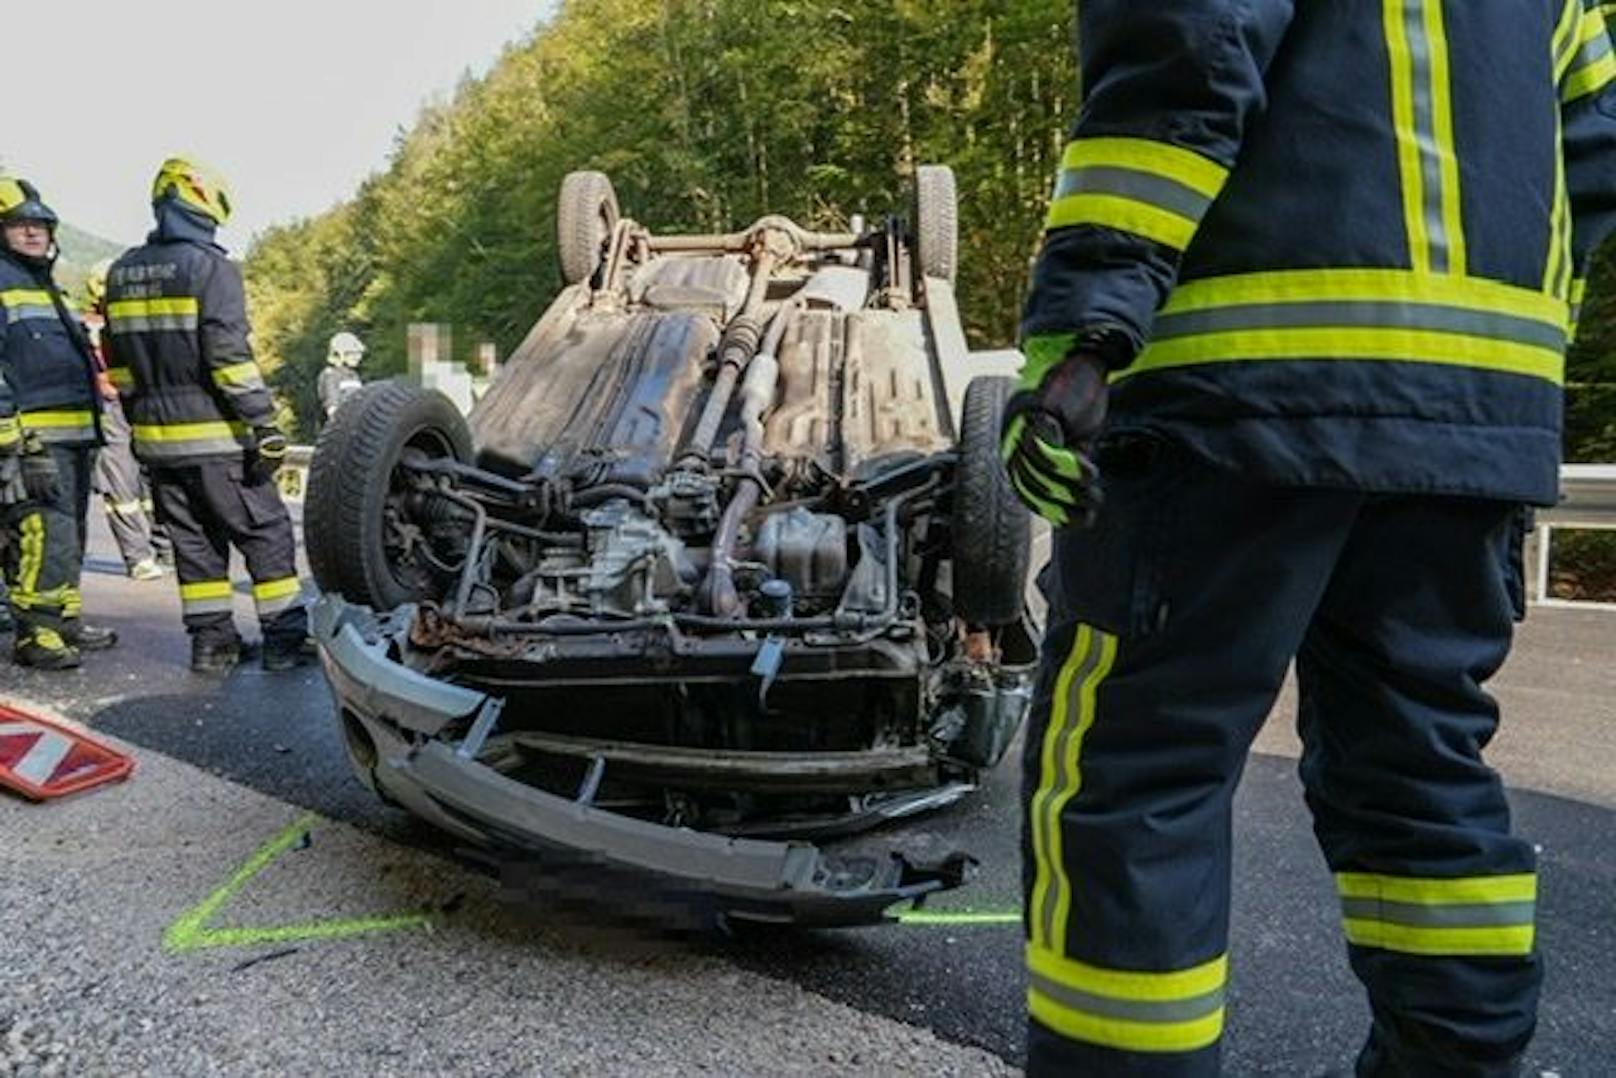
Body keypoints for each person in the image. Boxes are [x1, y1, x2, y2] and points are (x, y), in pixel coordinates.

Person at [1002, 3, 1616, 1074]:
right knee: (1420, 772)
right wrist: (1485, 352)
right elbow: (1596, 135)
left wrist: (1087, 318)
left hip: (1235, 385)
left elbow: (1184, 48)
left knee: (1134, 769)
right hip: (1471, 412)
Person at [103, 157, 310, 673]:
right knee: (265, 532)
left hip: (157, 443)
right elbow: (228, 358)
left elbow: (119, 366)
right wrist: (263, 422)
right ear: (205, 204)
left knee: (194, 545)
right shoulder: (210, 267)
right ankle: (284, 642)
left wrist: (142, 421)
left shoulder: (122, 272)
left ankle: (212, 644)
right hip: (219, 440)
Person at [0, 177, 117, 669]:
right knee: (45, 532)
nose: (33, 233)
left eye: (40, 225)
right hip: (34, 438)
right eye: (20, 225)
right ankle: (36, 633)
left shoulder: (48, 285)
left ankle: (63, 619)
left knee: (70, 534)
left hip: (74, 435)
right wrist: (12, 435)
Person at [82, 258, 169, 581]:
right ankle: (137, 556)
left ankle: (165, 546)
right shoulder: (87, 325)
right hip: (109, 410)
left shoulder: (142, 318)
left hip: (144, 405)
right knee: (121, 484)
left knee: (157, 480)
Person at [317, 331, 365, 420]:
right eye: (352, 353)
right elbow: (332, 409)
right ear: (339, 354)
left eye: (358, 353)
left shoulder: (354, 375)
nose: (358, 357)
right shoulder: (330, 375)